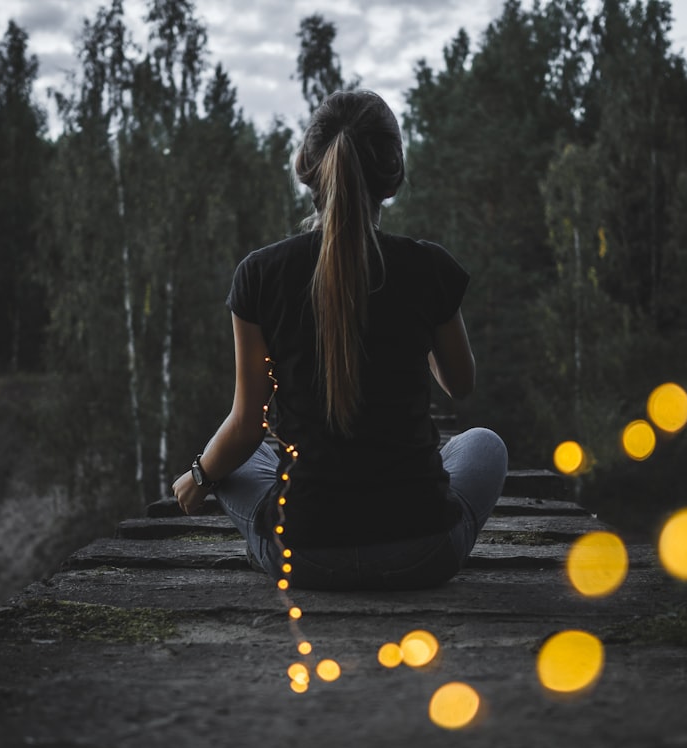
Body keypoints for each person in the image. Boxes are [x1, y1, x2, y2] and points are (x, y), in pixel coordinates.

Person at [172, 90, 507, 590]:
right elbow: (460, 383)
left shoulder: (260, 274)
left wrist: (199, 476)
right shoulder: (428, 267)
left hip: (303, 555)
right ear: (391, 174)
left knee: (244, 457)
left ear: (308, 166)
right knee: (485, 445)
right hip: (423, 552)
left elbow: (247, 423)